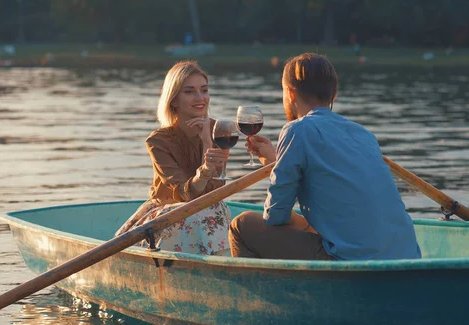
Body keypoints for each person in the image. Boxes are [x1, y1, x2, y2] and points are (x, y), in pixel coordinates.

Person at [228, 53, 422, 261]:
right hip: (407, 257)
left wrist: (296, 218)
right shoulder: (364, 134)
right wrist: (276, 163)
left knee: (242, 225)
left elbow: (275, 215)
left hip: (351, 262)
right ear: (334, 95)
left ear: (290, 94)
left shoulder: (296, 130)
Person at [115, 60, 232, 255]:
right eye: (189, 91)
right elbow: (187, 195)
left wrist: (206, 141)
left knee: (214, 210)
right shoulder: (157, 142)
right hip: (168, 210)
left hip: (207, 208)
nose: (200, 97)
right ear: (174, 100)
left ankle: (222, 267)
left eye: (204, 90)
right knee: (199, 215)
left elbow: (215, 189)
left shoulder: (219, 131)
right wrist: (205, 162)